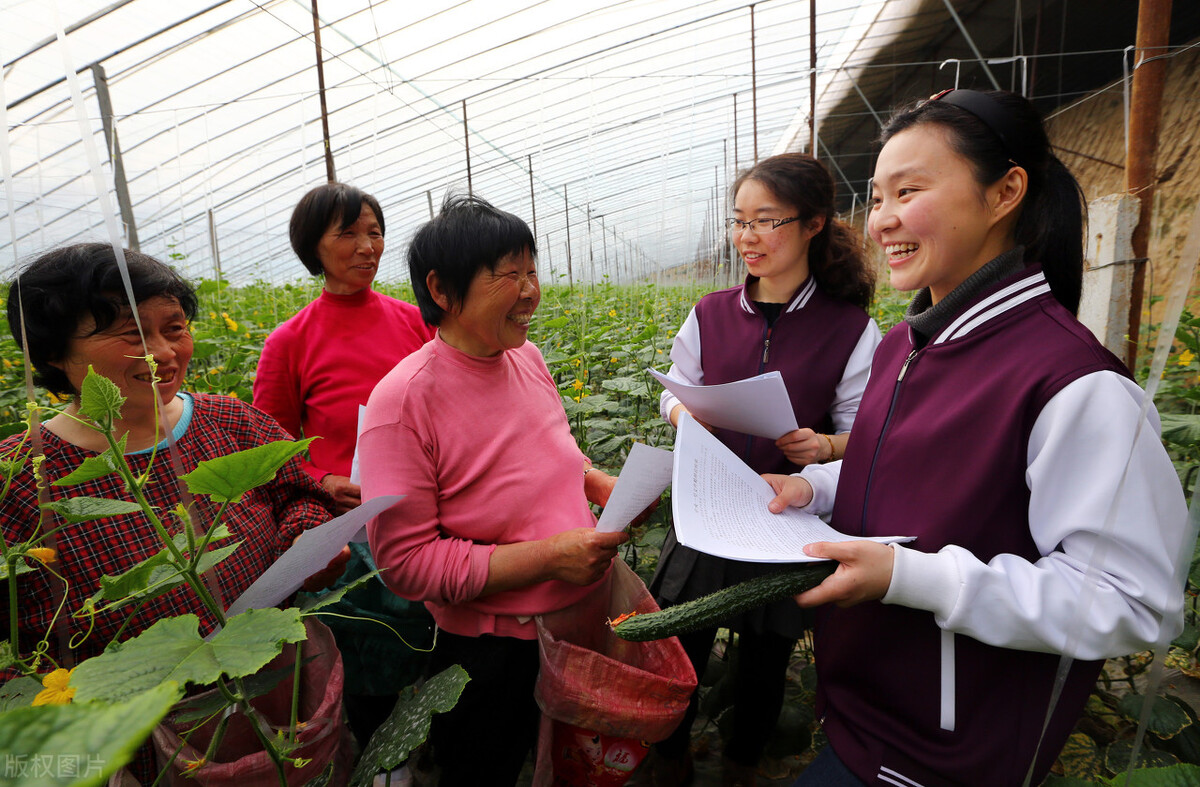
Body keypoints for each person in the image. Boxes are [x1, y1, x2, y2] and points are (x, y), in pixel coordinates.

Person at [765, 89, 1188, 787]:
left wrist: (911, 576)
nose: (882, 221)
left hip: (947, 756)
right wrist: (813, 486)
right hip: (866, 717)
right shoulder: (903, 343)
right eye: (876, 198)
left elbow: (1131, 600)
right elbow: (892, 467)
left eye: (910, 190)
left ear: (1005, 192)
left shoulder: (1073, 383)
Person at [0, 243, 342, 781]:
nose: (163, 352)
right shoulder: (21, 477)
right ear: (52, 354)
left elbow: (298, 495)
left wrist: (306, 536)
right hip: (129, 746)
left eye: (175, 328)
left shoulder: (230, 421)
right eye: (134, 335)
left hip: (276, 694)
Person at [359, 194, 631, 787]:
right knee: (485, 767)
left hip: (571, 627)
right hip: (491, 654)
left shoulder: (526, 357)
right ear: (440, 287)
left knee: (561, 763)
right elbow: (405, 564)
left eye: (532, 270)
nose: (531, 289)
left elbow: (553, 452)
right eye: (510, 274)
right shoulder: (404, 401)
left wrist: (596, 480)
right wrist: (549, 557)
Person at [650, 153, 880, 786]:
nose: (746, 237)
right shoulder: (710, 312)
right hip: (707, 507)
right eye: (739, 221)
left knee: (763, 663)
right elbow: (675, 388)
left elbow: (867, 431)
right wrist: (682, 414)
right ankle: (668, 762)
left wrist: (823, 447)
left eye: (765, 222)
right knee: (677, 647)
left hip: (786, 517)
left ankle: (743, 766)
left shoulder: (852, 329)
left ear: (812, 225)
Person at [253, 182, 436, 747]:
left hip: (425, 504)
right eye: (349, 233)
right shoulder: (291, 341)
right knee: (367, 645)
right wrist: (322, 480)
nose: (367, 246)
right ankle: (382, 750)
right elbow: (269, 446)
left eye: (375, 232)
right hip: (348, 521)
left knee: (436, 636)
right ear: (314, 247)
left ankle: (424, 732)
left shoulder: (416, 321)